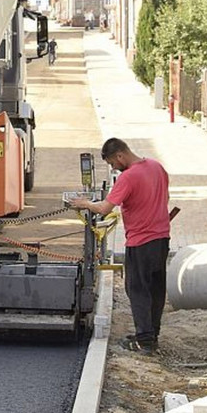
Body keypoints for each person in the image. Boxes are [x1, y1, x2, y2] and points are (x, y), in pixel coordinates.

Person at [71, 138, 171, 355]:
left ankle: (144, 341)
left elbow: (105, 208)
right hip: (162, 238)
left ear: (119, 156)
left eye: (112, 164)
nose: (113, 168)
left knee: (137, 289)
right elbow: (165, 198)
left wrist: (85, 203)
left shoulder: (128, 177)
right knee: (156, 289)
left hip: (141, 241)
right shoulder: (157, 167)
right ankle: (153, 334)